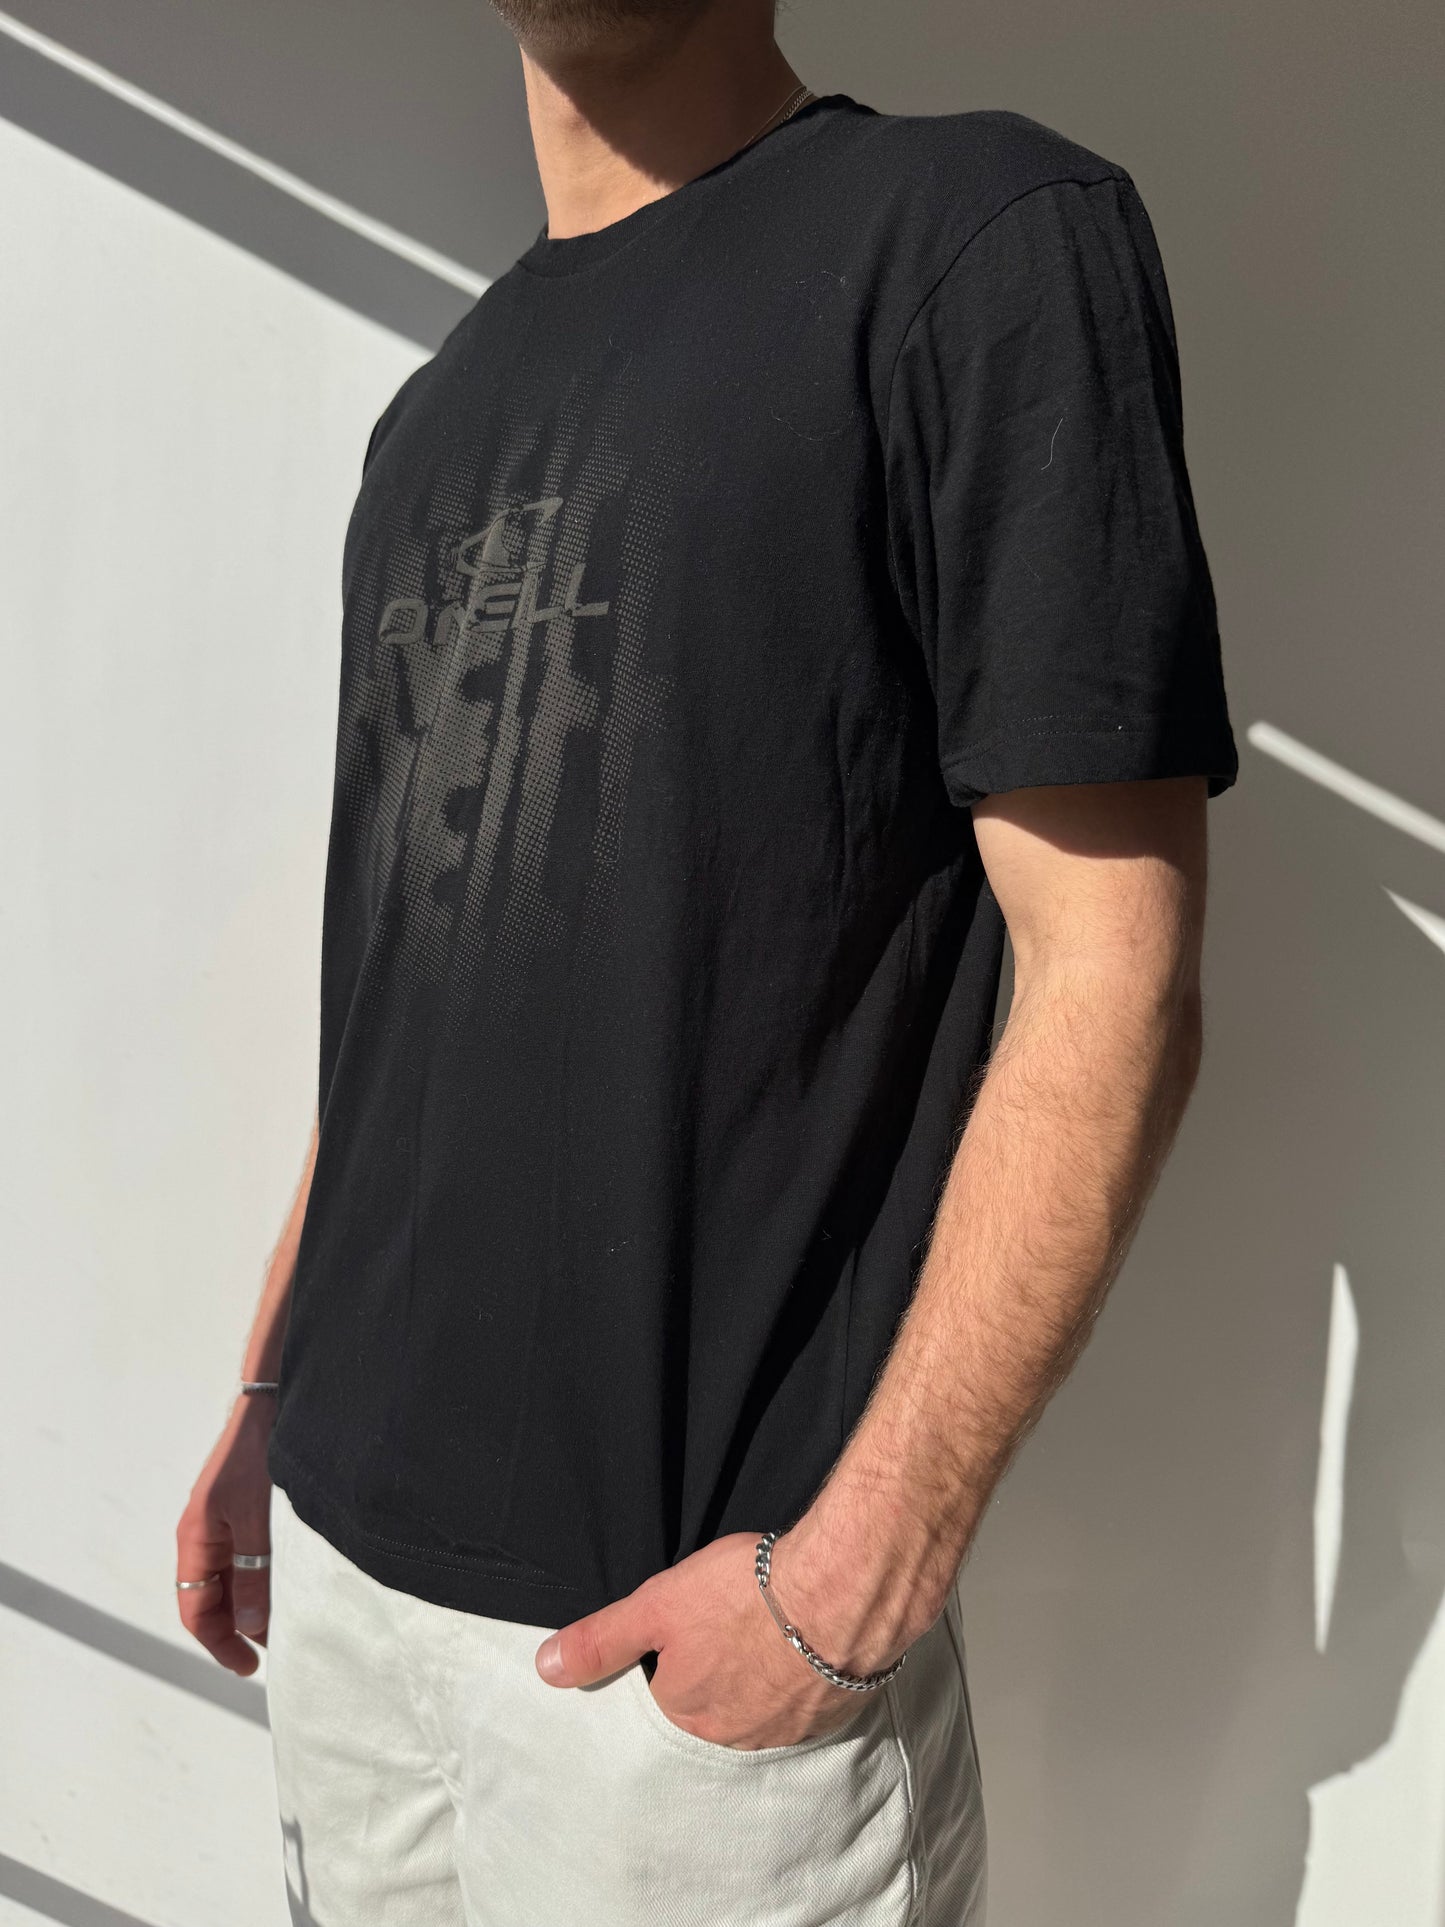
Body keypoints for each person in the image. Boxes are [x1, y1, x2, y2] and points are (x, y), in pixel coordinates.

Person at [176, 0, 1238, 1919]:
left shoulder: (972, 236)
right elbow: (404, 983)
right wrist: (268, 1394)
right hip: (342, 1591)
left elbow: (1114, 974)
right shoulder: (431, 417)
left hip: (685, 1675)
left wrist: (851, 1579)